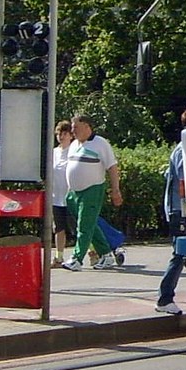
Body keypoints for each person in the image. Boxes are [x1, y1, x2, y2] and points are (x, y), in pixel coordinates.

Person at [61, 114, 124, 271]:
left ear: (87, 126)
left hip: (92, 189)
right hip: (74, 192)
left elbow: (112, 167)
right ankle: (106, 254)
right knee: (90, 224)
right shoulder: (74, 144)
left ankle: (77, 259)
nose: (73, 130)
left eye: (76, 127)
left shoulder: (100, 144)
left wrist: (115, 190)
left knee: (84, 225)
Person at [156, 111, 186, 315]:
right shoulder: (185, 150)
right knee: (179, 254)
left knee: (183, 254)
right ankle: (164, 298)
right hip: (181, 210)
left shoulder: (183, 148)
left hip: (181, 209)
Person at [50, 119, 76, 268]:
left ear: (71, 135)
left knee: (79, 228)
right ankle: (59, 257)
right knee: (59, 228)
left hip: (71, 197)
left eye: (65, 133)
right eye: (59, 133)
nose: (61, 136)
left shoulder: (74, 150)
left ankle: (94, 253)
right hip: (56, 197)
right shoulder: (53, 152)